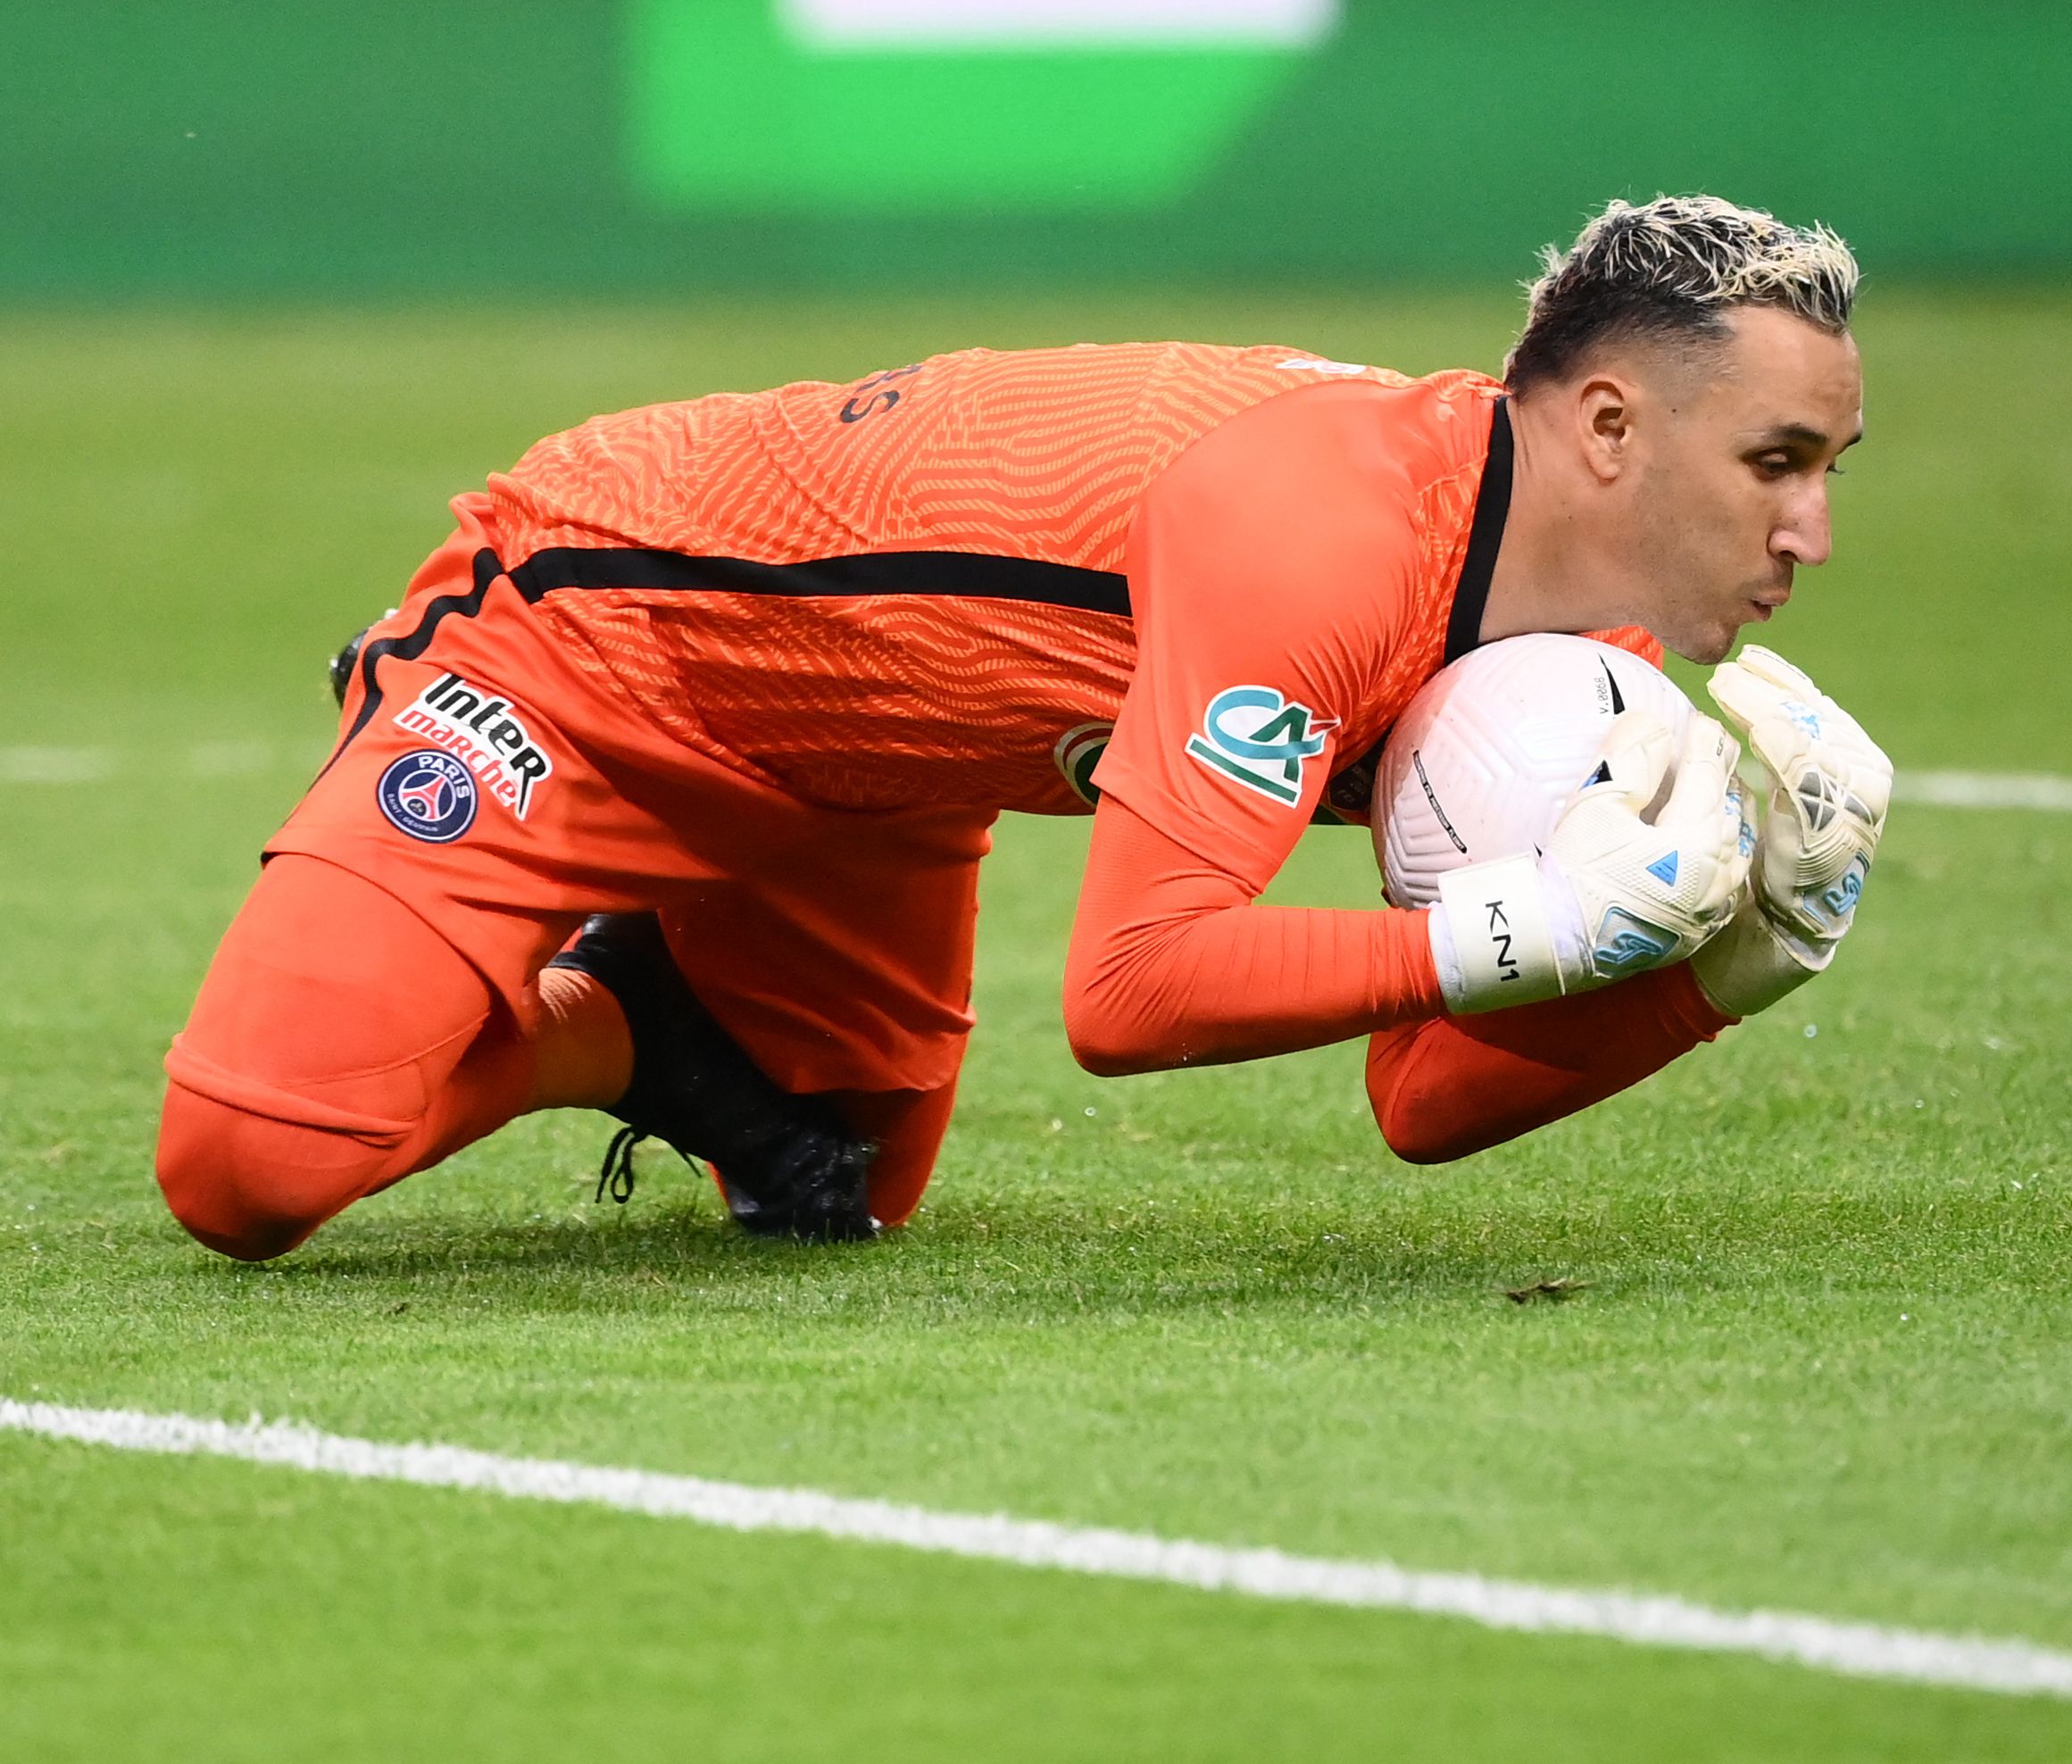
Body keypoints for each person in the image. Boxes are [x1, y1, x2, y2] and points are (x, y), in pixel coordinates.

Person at [153, 196, 1894, 1261]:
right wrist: (1544, 922)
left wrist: (1726, 964)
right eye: (1777, 463)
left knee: (838, 1160)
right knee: (253, 1164)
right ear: (1606, 425)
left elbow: (1421, 1090)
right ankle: (486, 922)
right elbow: (1130, 993)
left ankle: (656, 1033)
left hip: (880, 772)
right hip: (606, 632)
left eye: (1827, 469)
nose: (1812, 532)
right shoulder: (1338, 534)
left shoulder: (1569, 656)